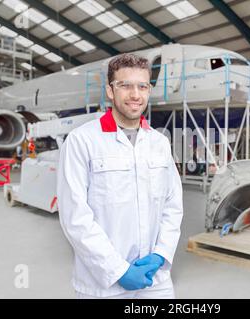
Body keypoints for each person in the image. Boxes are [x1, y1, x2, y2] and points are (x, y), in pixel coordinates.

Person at [57, 53, 183, 299]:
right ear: (110, 91)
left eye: (142, 86)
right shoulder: (82, 140)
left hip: (155, 280)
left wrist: (161, 254)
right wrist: (117, 270)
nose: (135, 95)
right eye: (125, 85)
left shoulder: (159, 143)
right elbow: (75, 216)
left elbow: (172, 205)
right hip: (103, 284)